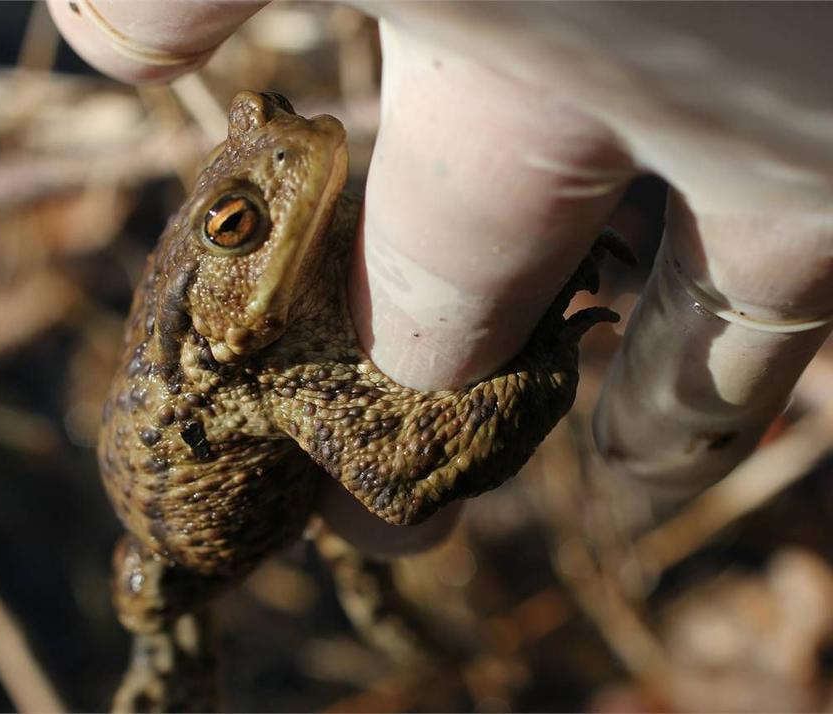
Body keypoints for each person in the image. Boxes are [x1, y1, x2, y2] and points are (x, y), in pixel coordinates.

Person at [50, 1, 833, 553]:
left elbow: (393, 484)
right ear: (221, 311)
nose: (289, 145)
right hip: (194, 522)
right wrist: (540, 367)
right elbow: (395, 482)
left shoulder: (287, 335)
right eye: (237, 224)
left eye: (272, 108)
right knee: (166, 593)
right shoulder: (268, 376)